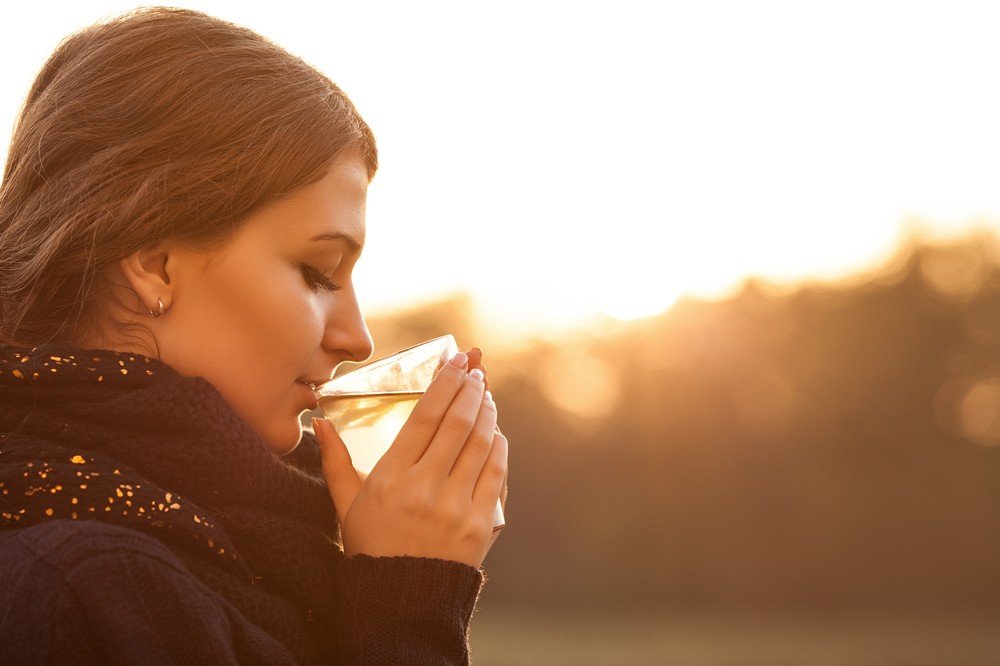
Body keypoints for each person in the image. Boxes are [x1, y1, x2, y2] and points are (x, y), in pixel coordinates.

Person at [0, 7, 508, 664]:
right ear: (153, 264)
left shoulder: (233, 553)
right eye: (318, 271)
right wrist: (407, 605)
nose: (357, 339)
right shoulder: (95, 589)